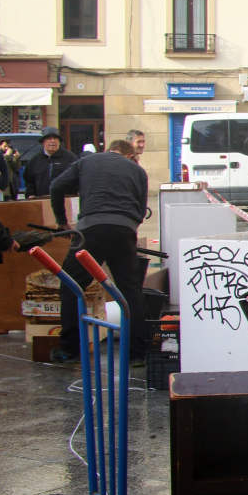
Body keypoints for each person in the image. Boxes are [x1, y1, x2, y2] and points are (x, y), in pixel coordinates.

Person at [48, 140, 150, 364]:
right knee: (130, 291)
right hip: (124, 230)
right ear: (130, 155)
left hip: (89, 230)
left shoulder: (87, 162)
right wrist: (126, 226)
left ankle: (69, 349)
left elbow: (56, 186)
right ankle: (137, 354)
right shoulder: (138, 171)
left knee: (71, 285)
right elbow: (141, 210)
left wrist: (62, 223)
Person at [23, 127, 78, 198]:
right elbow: (29, 181)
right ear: (43, 142)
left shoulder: (71, 158)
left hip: (64, 200)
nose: (52, 141)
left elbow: (78, 178)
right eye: (49, 138)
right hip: (41, 200)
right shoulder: (35, 160)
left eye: (55, 138)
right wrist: (30, 194)